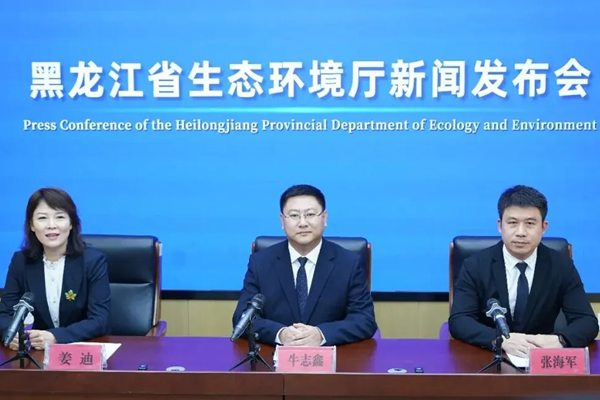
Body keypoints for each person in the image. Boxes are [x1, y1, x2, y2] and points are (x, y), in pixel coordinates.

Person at [449, 185, 598, 357]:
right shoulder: (475, 265)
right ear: (500, 226)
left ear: (544, 227)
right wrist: (499, 340)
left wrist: (560, 340)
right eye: (512, 223)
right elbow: (459, 321)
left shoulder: (561, 266)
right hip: (489, 357)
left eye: (530, 223)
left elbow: (587, 322)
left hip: (541, 358)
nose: (521, 232)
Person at [233, 184, 377, 346]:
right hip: (273, 357)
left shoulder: (349, 263)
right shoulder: (261, 262)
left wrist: (321, 335)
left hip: (334, 358)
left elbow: (365, 320)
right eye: (294, 215)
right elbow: (242, 318)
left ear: (324, 218)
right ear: (282, 221)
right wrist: (280, 334)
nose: (303, 223)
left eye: (310, 214)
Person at [0, 188, 110, 350]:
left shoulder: (92, 261)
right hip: (35, 353)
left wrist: (56, 336)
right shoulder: (21, 262)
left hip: (81, 351)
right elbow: (4, 314)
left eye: (59, 217)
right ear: (31, 225)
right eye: (42, 218)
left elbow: (100, 320)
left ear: (71, 223)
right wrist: (11, 333)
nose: (51, 225)